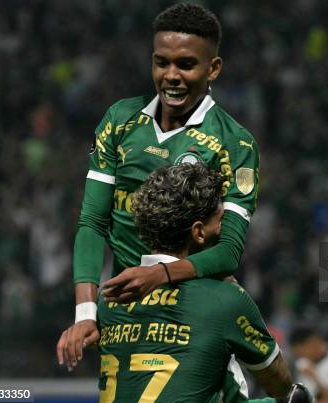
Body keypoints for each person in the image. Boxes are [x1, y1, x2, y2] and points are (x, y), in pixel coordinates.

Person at [57, 3, 260, 371]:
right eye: (161, 62)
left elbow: (230, 251)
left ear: (213, 68)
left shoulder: (236, 144)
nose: (171, 75)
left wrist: (158, 275)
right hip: (126, 317)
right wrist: (86, 312)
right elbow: (92, 223)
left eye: (185, 64)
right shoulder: (120, 121)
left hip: (195, 315)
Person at [95, 163, 310, 403]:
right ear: (199, 232)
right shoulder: (224, 299)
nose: (226, 230)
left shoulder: (110, 299)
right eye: (221, 221)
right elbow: (279, 384)